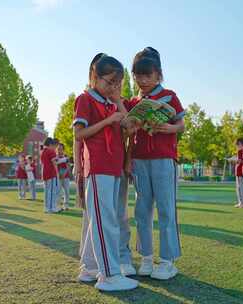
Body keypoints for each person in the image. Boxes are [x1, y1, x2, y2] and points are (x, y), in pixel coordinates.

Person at [74, 54, 138, 291]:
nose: (113, 87)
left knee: (100, 219)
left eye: (117, 83)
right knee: (105, 221)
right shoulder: (85, 99)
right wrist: (109, 119)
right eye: (109, 82)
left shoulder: (110, 102)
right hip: (99, 166)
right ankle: (109, 275)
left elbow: (130, 127)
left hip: (113, 166)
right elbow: (79, 134)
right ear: (94, 76)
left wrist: (117, 102)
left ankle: (90, 267)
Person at [127, 47, 185, 280]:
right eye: (137, 76)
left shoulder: (170, 95)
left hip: (163, 160)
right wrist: (129, 158)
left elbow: (181, 125)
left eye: (147, 76)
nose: (142, 81)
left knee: (166, 209)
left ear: (158, 75)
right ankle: (147, 257)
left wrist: (170, 128)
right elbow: (129, 133)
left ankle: (168, 261)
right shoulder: (133, 101)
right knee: (142, 210)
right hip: (140, 161)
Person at [41, 137, 60, 213]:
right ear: (50, 144)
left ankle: (46, 207)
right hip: (51, 173)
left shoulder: (43, 151)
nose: (54, 146)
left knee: (47, 191)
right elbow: (55, 162)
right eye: (53, 144)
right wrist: (63, 160)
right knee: (52, 191)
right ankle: (51, 207)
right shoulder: (51, 151)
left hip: (45, 172)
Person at [56, 143, 71, 210]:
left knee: (66, 191)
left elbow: (68, 166)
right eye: (58, 149)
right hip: (58, 176)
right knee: (58, 192)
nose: (59, 150)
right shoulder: (55, 157)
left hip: (66, 176)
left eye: (61, 149)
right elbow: (55, 166)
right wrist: (58, 174)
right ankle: (58, 205)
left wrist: (64, 174)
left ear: (63, 150)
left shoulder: (66, 157)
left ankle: (66, 205)